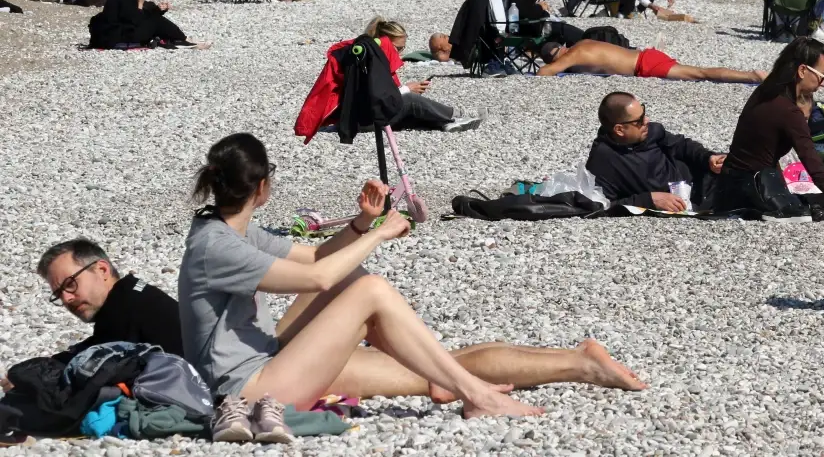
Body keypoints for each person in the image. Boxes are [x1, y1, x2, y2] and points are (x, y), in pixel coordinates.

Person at [180, 134, 645, 432]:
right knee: (370, 289)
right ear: (262, 187)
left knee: (432, 365)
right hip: (251, 391)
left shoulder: (233, 229)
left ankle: (577, 363)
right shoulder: (214, 247)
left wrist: (362, 223)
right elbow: (318, 276)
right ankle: (476, 394)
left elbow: (322, 256)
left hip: (272, 358)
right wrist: (382, 233)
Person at [714, 37, 824, 226]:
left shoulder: (765, 93)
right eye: (822, 75)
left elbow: (787, 139)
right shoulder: (788, 110)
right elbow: (816, 168)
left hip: (731, 187)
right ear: (802, 70)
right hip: (756, 191)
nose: (823, 83)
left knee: (819, 202)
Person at [296, 17, 483, 140]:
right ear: (385, 41)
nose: (399, 53)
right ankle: (454, 116)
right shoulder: (371, 59)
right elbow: (377, 98)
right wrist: (407, 89)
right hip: (363, 121)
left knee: (411, 114)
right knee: (410, 101)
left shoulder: (372, 53)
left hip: (363, 117)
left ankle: (445, 123)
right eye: (398, 48)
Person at [35, 239, 184, 360]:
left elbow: (95, 370)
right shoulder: (134, 294)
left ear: (102, 270)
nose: (66, 298)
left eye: (70, 284)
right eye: (59, 293)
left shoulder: (125, 312)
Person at [586, 92, 724, 213]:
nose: (646, 121)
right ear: (619, 130)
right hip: (689, 205)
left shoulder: (651, 132)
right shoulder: (604, 160)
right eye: (639, 120)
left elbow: (682, 145)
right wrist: (649, 200)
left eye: (644, 113)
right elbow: (603, 206)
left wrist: (708, 157)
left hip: (703, 179)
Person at [537, 39, 765, 84]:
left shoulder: (572, 55)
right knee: (699, 72)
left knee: (701, 73)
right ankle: (751, 76)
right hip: (645, 55)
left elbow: (544, 73)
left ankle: (751, 76)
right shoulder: (581, 43)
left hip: (645, 66)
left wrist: (555, 64)